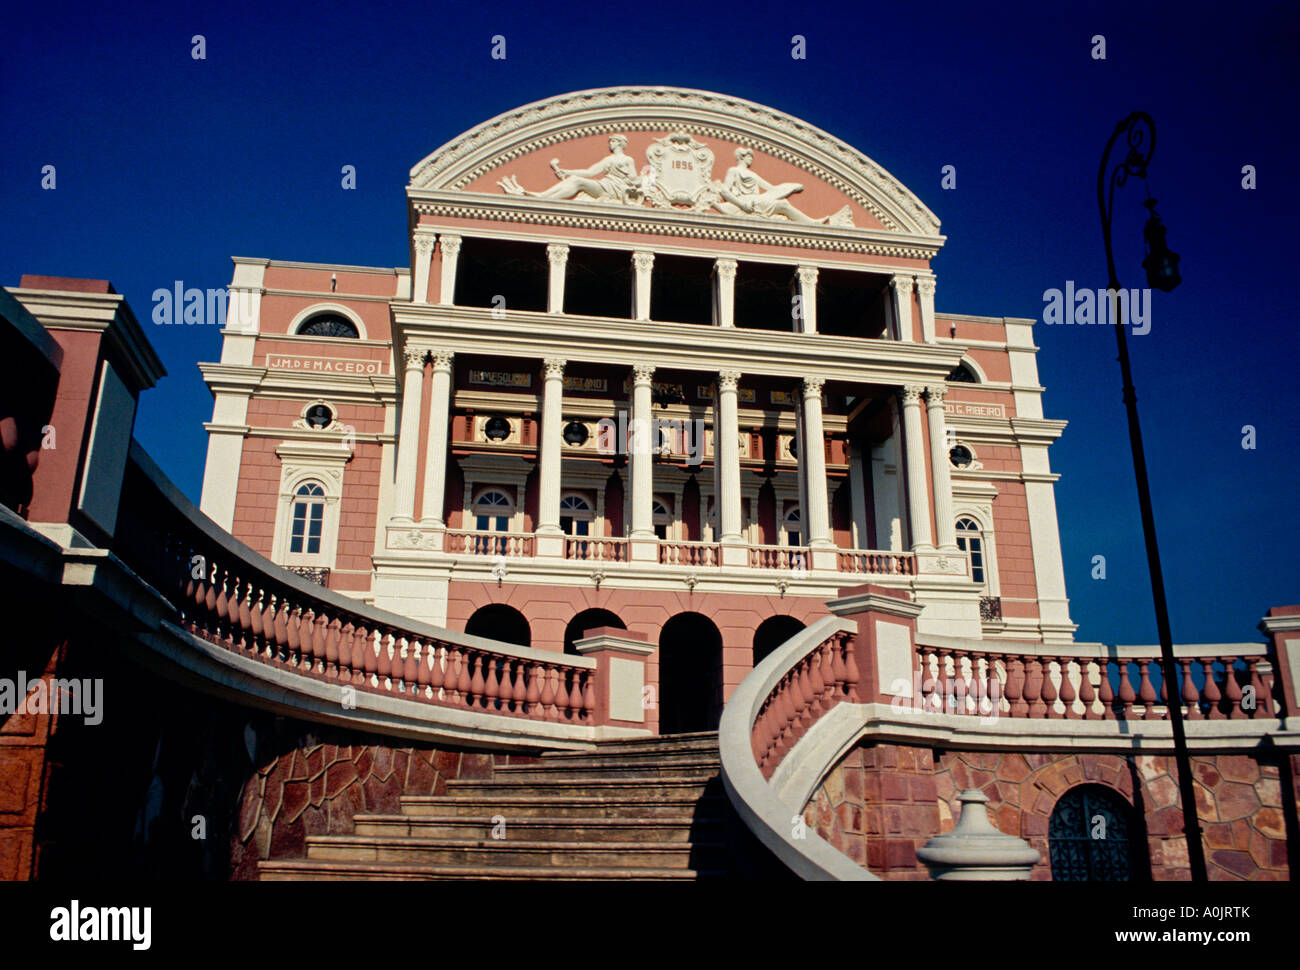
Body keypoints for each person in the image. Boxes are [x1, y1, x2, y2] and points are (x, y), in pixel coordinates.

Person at [499, 135, 641, 203]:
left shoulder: (628, 160)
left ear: (621, 144)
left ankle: (546, 200)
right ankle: (542, 196)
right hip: (605, 185)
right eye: (610, 141)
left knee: (578, 182)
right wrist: (567, 172)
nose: (610, 143)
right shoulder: (609, 160)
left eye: (613, 141)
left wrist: (646, 177)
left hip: (616, 189)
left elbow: (634, 179)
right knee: (575, 180)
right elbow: (590, 172)